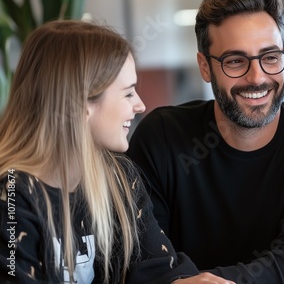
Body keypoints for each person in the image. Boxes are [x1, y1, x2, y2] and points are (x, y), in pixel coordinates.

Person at [126, 0, 284, 283]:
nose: (257, 78)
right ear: (205, 67)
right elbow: (145, 258)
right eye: (236, 61)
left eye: (270, 57)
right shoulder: (161, 136)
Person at [0, 20, 235, 284]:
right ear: (81, 103)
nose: (140, 105)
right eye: (128, 93)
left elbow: (158, 266)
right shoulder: (12, 195)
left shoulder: (120, 176)